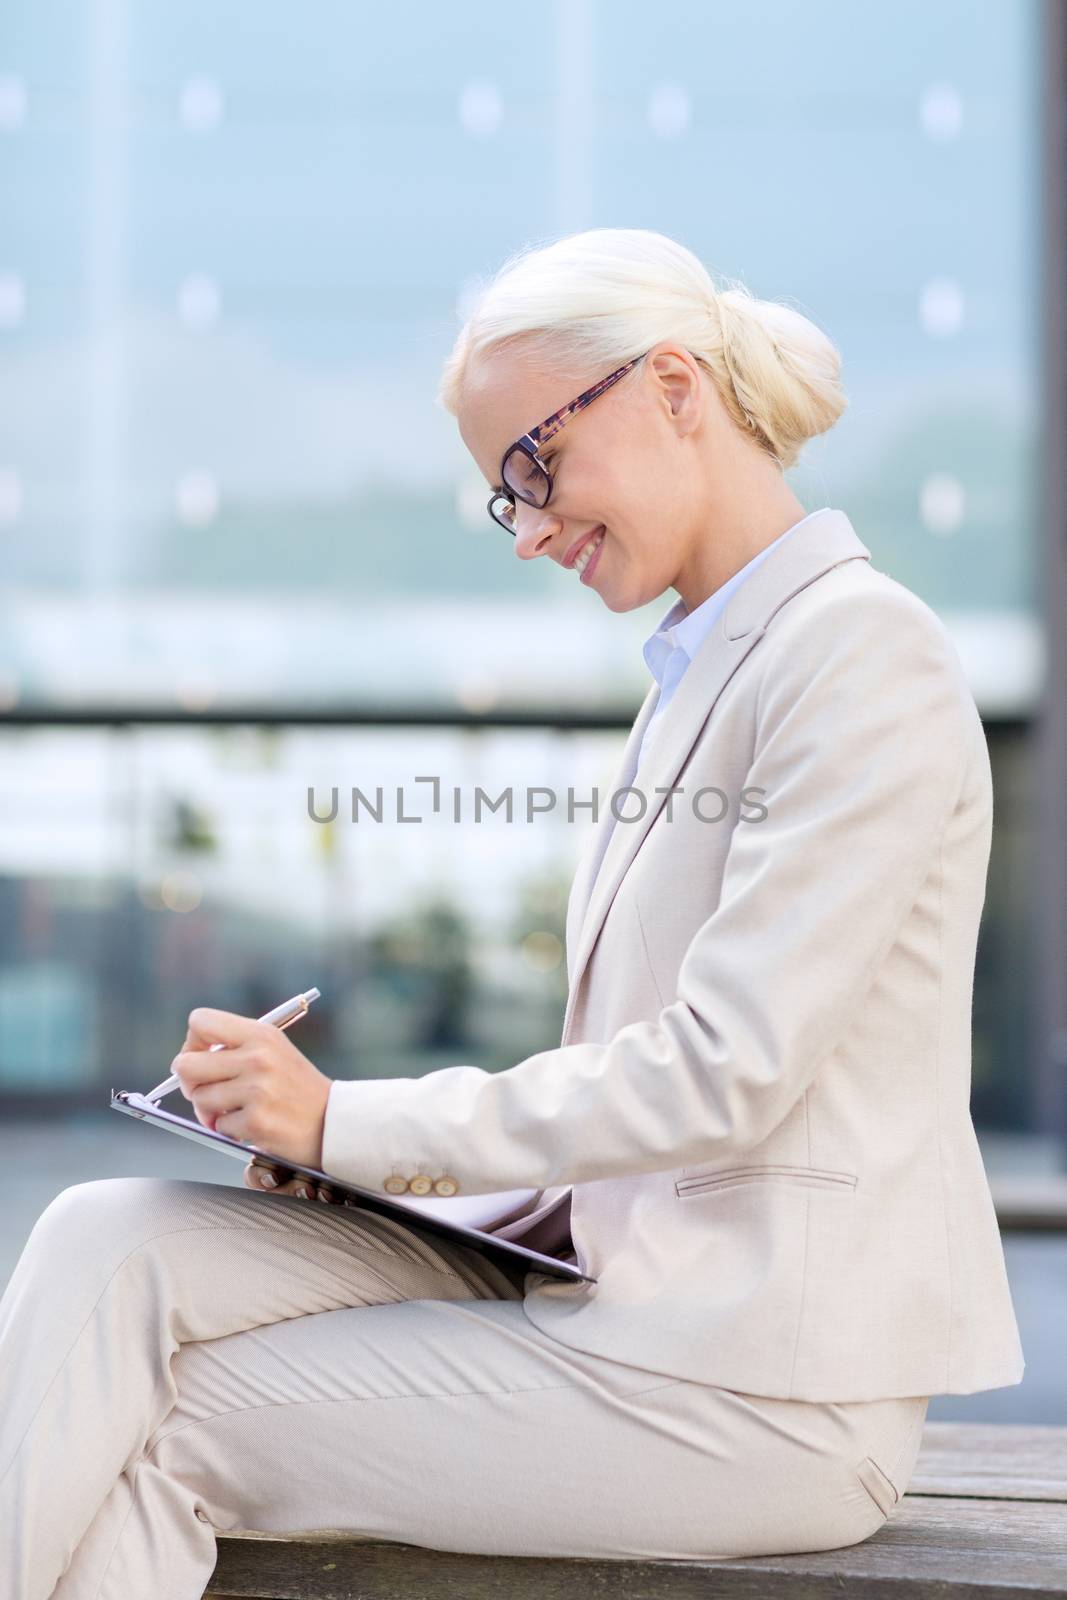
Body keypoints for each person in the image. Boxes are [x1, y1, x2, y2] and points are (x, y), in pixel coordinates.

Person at [0, 227, 1023, 1598]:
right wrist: (354, 1166)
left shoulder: (860, 654)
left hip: (758, 1386)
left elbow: (726, 1069)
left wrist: (348, 1121)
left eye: (534, 468)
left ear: (673, 389)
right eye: (505, 499)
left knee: (164, 1424)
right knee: (103, 1239)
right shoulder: (698, 675)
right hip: (604, 1289)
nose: (530, 530)